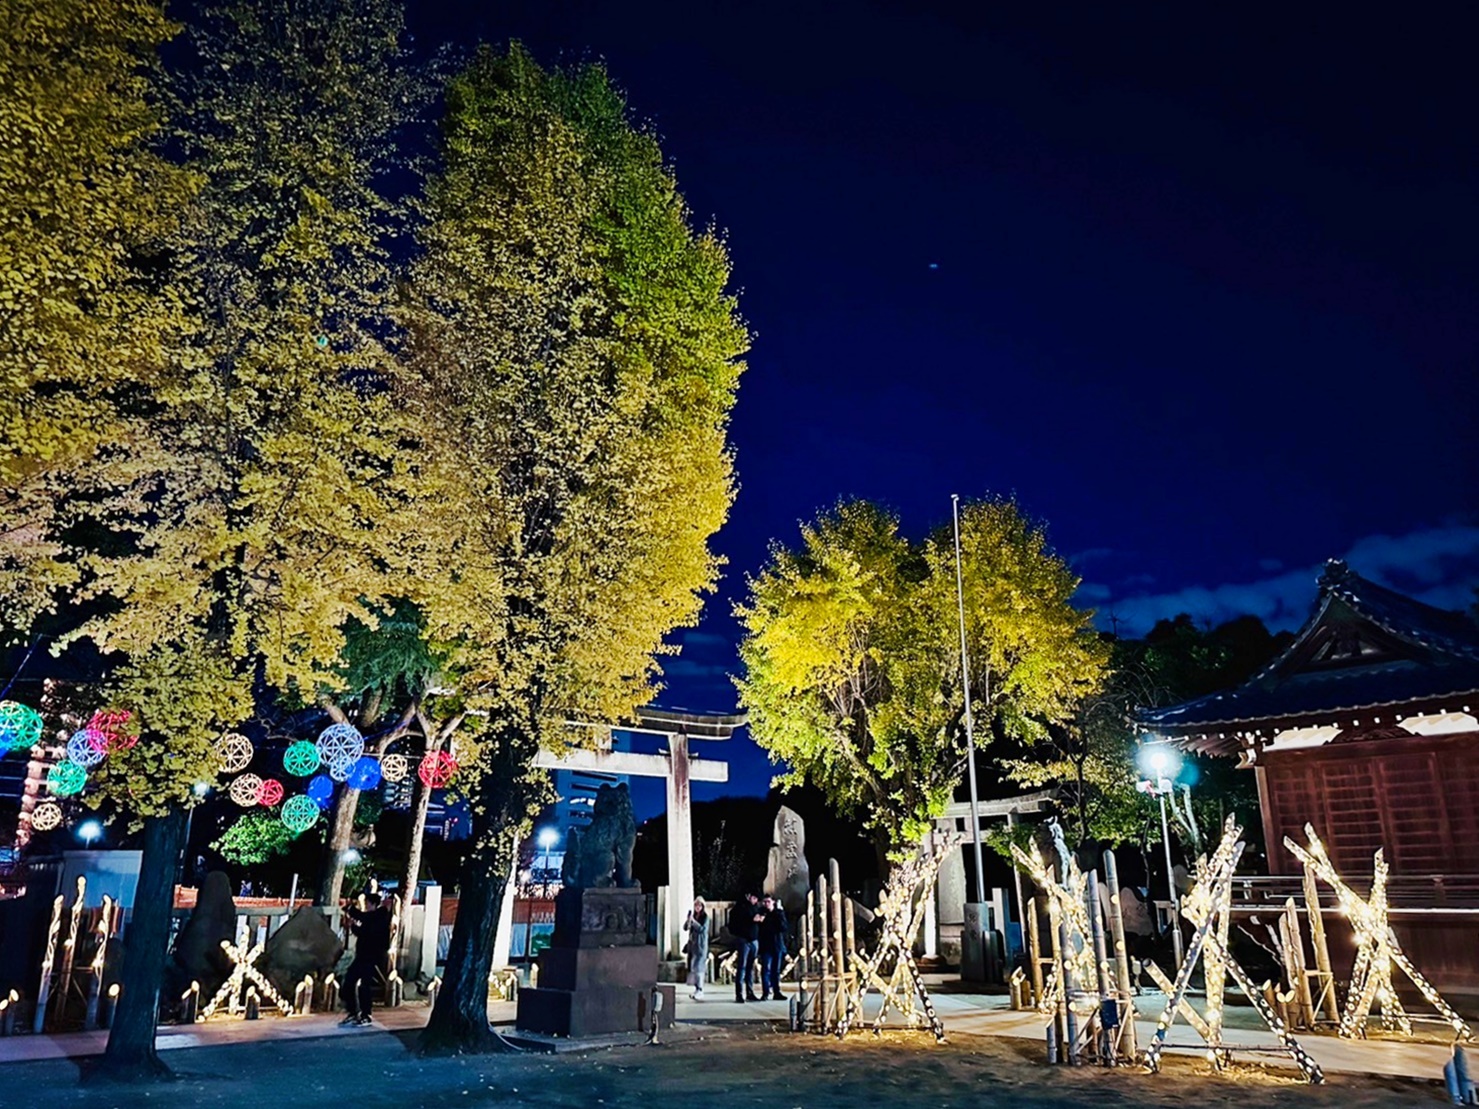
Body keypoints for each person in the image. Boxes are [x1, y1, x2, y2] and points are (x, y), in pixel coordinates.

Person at [341, 891, 392, 1026]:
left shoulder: (379, 915)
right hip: (362, 955)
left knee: (365, 985)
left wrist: (351, 910)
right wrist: (352, 925)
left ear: (374, 904)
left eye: (368, 903)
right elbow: (362, 932)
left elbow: (363, 918)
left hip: (371, 956)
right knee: (350, 982)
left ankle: (366, 1014)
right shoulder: (372, 917)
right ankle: (353, 1012)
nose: (366, 906)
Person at [727, 891, 763, 1002]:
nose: (755, 901)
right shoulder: (740, 908)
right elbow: (736, 922)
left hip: (754, 939)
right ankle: (739, 994)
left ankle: (750, 992)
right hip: (744, 940)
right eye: (753, 898)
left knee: (750, 967)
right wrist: (751, 919)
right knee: (741, 967)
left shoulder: (756, 907)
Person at [758, 894, 789, 1000]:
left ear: (773, 902)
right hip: (766, 945)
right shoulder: (761, 913)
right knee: (765, 969)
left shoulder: (778, 913)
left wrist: (779, 915)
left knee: (776, 970)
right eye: (765, 902)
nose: (766, 904)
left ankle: (777, 991)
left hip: (777, 944)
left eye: (768, 902)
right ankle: (765, 992)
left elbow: (784, 927)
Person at [683, 897, 710, 999]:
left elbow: (702, 929)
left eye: (699, 905)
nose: (697, 907)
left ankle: (700, 989)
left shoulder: (705, 917)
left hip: (701, 946)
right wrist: (688, 921)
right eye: (696, 905)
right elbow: (685, 928)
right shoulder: (694, 916)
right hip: (693, 946)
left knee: (699, 968)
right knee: (694, 968)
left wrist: (694, 922)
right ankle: (696, 989)